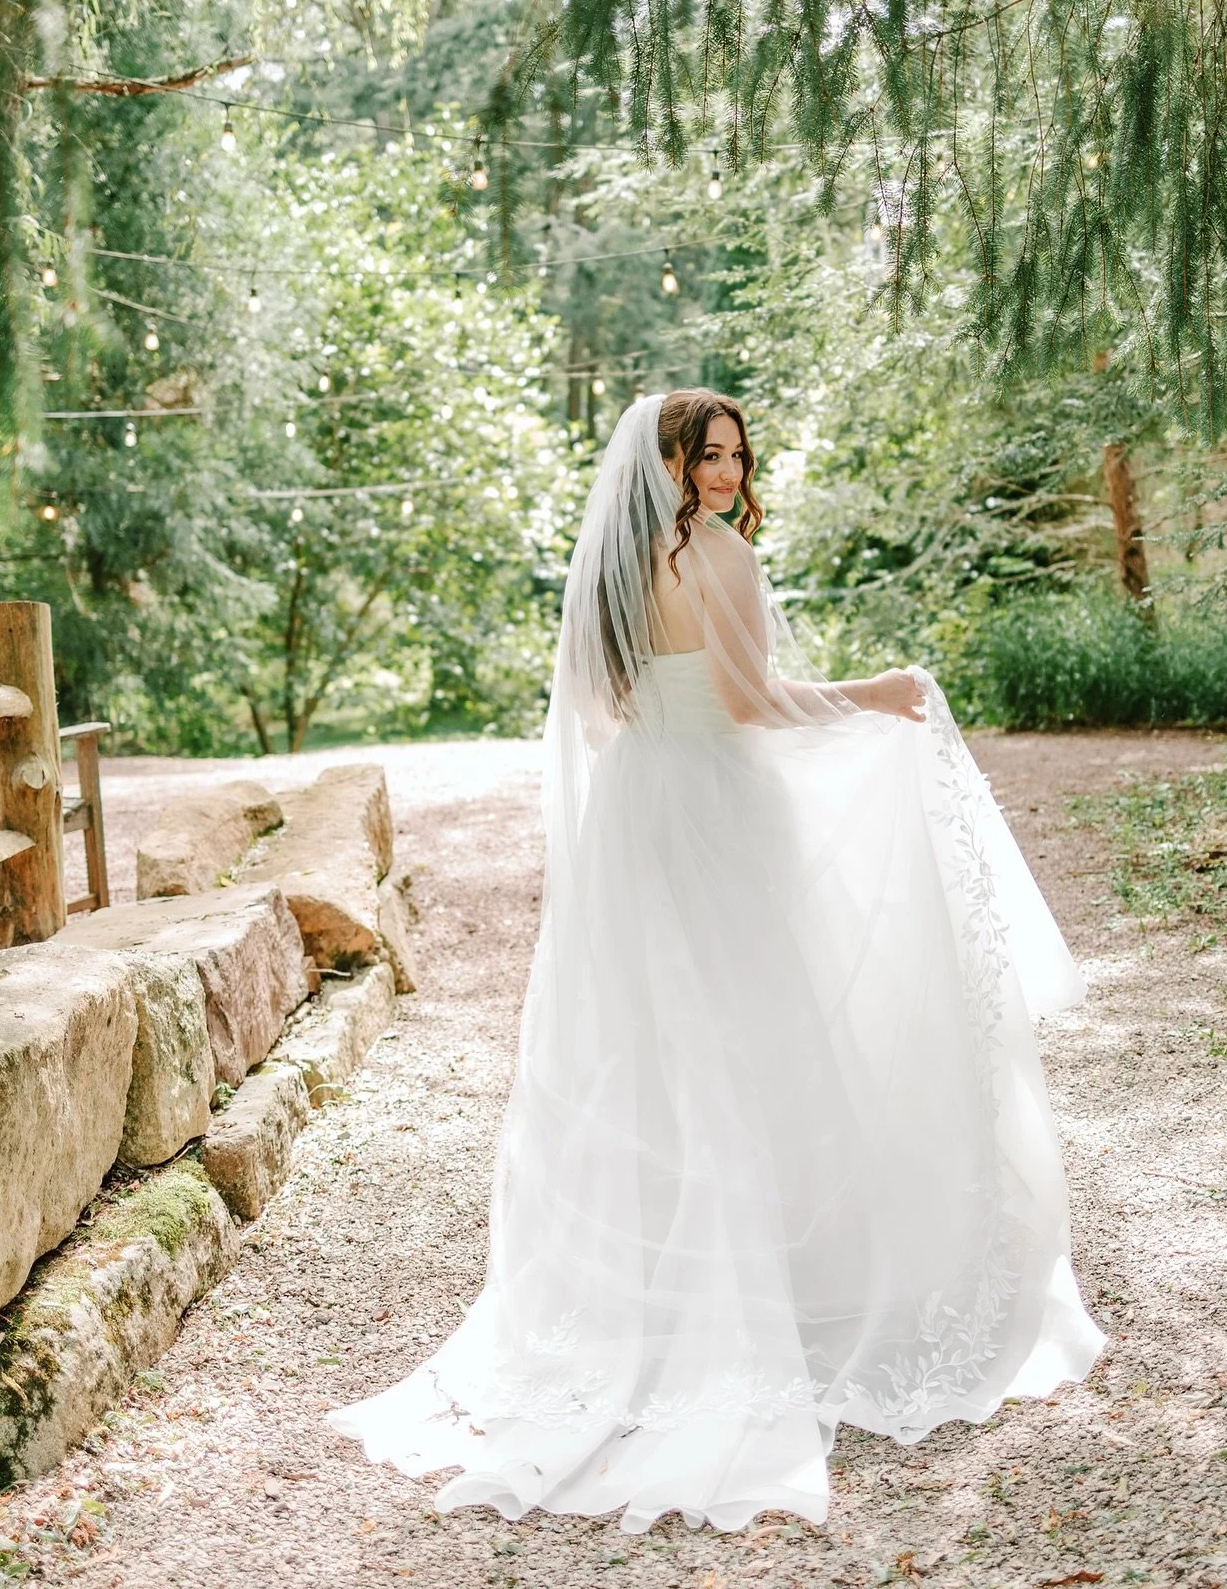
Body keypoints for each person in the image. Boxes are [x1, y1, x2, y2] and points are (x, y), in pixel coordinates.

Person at [329, 388, 1104, 1532]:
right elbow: (750, 704)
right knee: (760, 1029)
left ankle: (661, 1295)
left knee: (647, 1047)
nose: (729, 473)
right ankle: (775, 1288)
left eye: (738, 454)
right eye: (710, 455)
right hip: (717, 809)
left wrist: (675, 723)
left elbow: (602, 711)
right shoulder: (723, 556)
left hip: (635, 810)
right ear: (674, 464)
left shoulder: (613, 565)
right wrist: (874, 696)